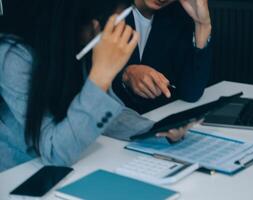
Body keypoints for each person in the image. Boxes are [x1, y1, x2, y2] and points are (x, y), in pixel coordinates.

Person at [0, 0, 189, 172]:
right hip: (20, 174)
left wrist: (155, 130)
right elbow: (54, 152)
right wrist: (101, 76)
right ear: (93, 23)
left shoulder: (73, 43)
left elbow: (103, 113)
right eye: (111, 22)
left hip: (72, 165)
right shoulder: (12, 57)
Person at [112, 0, 212, 114]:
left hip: (152, 122)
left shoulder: (179, 14)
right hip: (103, 122)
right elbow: (89, 78)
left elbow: (191, 92)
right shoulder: (104, 10)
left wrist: (203, 25)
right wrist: (125, 75)